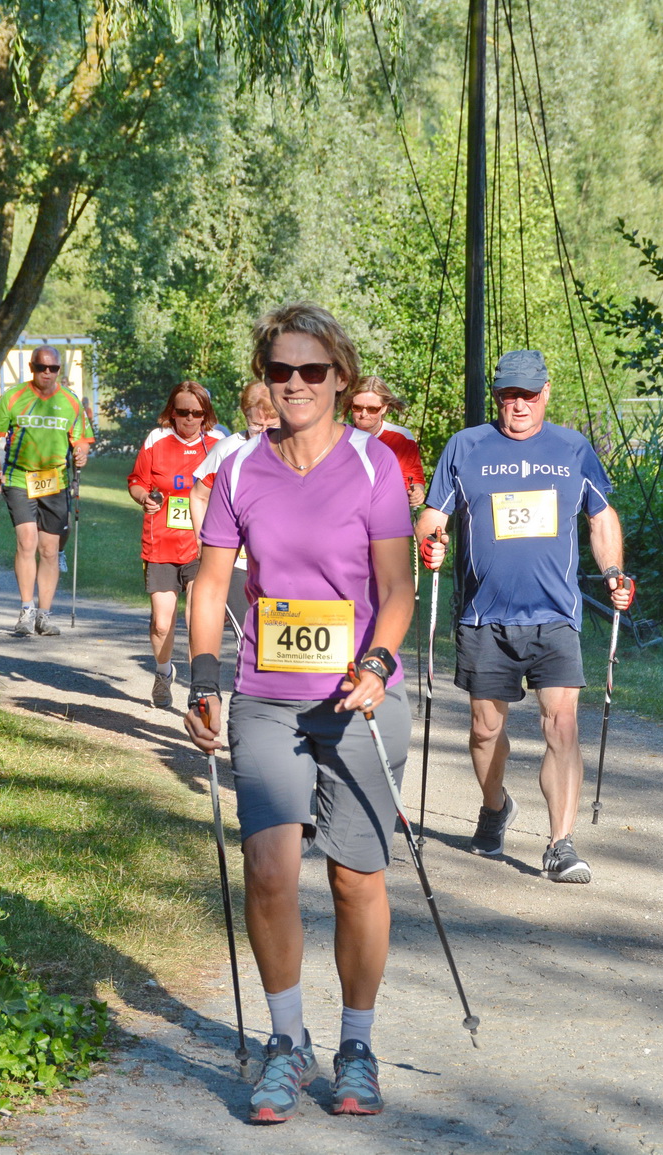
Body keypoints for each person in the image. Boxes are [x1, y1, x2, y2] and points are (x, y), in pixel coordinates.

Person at [184, 301, 415, 1124]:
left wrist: (380, 661)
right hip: (268, 698)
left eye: (311, 371)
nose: (294, 385)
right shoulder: (241, 468)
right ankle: (287, 1042)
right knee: (272, 870)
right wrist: (204, 675)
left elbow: (397, 589)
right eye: (280, 371)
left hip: (356, 698)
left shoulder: (374, 464)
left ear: (340, 376)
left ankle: (357, 1042)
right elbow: (210, 584)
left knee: (356, 879)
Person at [413, 350, 634, 885]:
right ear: (497, 397)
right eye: (508, 395)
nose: (518, 405)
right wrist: (430, 544)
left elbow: (601, 516)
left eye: (528, 395)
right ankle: (495, 808)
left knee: (562, 724)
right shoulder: (466, 447)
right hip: (485, 616)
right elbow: (432, 516)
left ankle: (561, 843)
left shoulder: (572, 448)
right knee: (486, 729)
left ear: (546, 393)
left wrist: (613, 573)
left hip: (555, 615)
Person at [0, 343, 93, 638]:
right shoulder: (14, 397)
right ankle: (26, 611)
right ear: (32, 368)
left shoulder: (70, 401)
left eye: (53, 368)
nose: (47, 373)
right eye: (41, 367)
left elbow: (81, 440)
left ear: (60, 370)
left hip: (55, 482)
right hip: (19, 478)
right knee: (27, 542)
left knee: (48, 549)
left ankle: (44, 615)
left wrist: (80, 452)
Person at [127, 381, 223, 706]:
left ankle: (200, 688)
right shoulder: (157, 439)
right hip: (161, 545)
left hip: (202, 546)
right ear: (172, 412)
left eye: (197, 413)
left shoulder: (218, 444)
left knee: (197, 618)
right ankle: (163, 671)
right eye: (183, 412)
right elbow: (137, 480)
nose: (190, 419)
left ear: (206, 415)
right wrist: (144, 498)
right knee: (161, 622)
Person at [191, 380, 278, 632]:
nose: (262, 432)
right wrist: (201, 538)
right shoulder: (228, 449)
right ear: (244, 416)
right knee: (248, 634)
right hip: (236, 561)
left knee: (276, 639)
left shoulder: (294, 449)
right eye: (255, 425)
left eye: (271, 425)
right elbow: (198, 496)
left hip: (280, 563)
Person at [344, 376, 425, 509]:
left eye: (372, 409)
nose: (363, 414)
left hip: (387, 512)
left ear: (384, 408)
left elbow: (413, 477)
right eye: (357, 407)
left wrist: (417, 493)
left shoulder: (401, 438)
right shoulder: (339, 437)